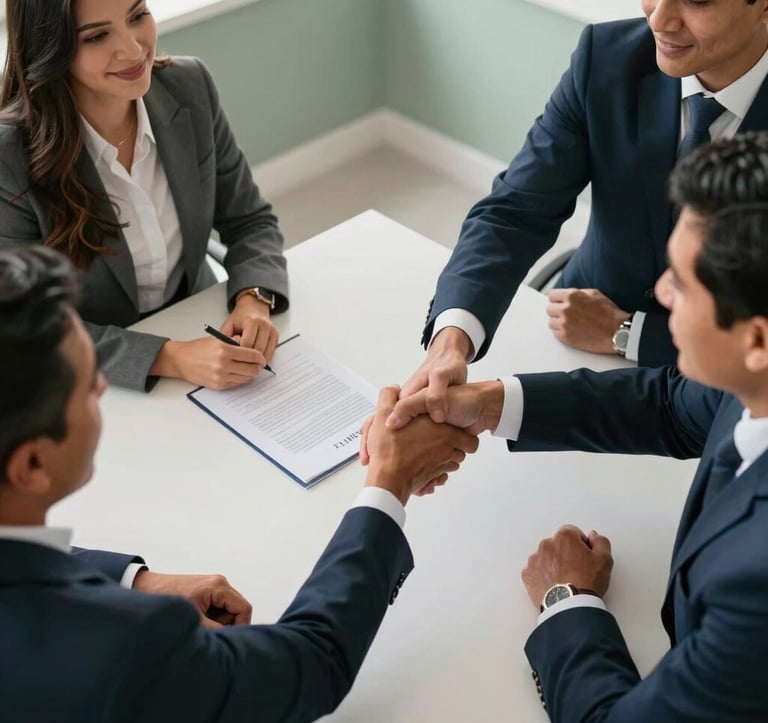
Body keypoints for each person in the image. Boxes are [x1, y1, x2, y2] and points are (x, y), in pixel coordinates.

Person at [0, 245, 479, 721]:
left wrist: (133, 580)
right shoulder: (126, 641)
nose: (103, 388)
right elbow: (309, 665)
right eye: (88, 387)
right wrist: (388, 484)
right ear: (33, 465)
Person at [384, 132, 768, 719]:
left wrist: (569, 602)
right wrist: (488, 403)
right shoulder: (748, 384)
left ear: (756, 339)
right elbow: (669, 406)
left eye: (683, 284)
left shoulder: (753, 588)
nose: (658, 293)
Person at [405, 0, 768, 420]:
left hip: (727, 387)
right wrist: (452, 341)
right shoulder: (606, 55)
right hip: (575, 340)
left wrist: (629, 334)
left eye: (697, 0)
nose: (660, 19)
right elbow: (516, 210)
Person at [0, 0, 288, 393]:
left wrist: (254, 299)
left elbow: (250, 219)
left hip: (199, 319)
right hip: (100, 375)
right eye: (97, 35)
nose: (134, 50)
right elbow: (28, 323)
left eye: (137, 16)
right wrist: (171, 357)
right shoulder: (10, 156)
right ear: (51, 48)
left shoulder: (190, 86)